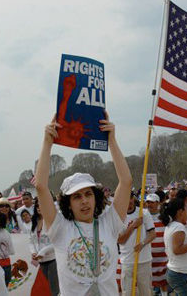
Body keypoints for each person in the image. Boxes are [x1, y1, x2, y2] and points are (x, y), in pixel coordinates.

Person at [35, 112, 132, 295]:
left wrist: (112, 141)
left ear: (96, 197)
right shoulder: (60, 228)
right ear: (68, 204)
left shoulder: (109, 223)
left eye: (88, 194)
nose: (85, 200)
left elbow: (126, 181)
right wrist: (47, 142)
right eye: (77, 197)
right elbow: (40, 186)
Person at [117, 193, 156, 296]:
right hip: (127, 261)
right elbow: (120, 240)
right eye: (126, 201)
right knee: (127, 293)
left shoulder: (143, 213)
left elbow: (152, 234)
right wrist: (133, 226)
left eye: (130, 200)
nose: (129, 204)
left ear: (133, 199)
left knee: (146, 292)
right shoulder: (119, 216)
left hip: (144, 260)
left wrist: (143, 243)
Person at [29, 199, 59, 296]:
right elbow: (31, 240)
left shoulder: (53, 220)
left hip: (53, 259)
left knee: (54, 289)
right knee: (43, 289)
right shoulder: (34, 222)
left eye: (41, 205)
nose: (39, 208)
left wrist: (43, 251)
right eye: (37, 206)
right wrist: (33, 252)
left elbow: (57, 242)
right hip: (41, 262)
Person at [145, 193, 169, 296]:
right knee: (149, 281)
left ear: (158, 203)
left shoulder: (164, 217)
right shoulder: (144, 216)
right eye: (148, 202)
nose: (149, 205)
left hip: (163, 255)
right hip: (149, 254)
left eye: (152, 202)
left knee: (163, 281)